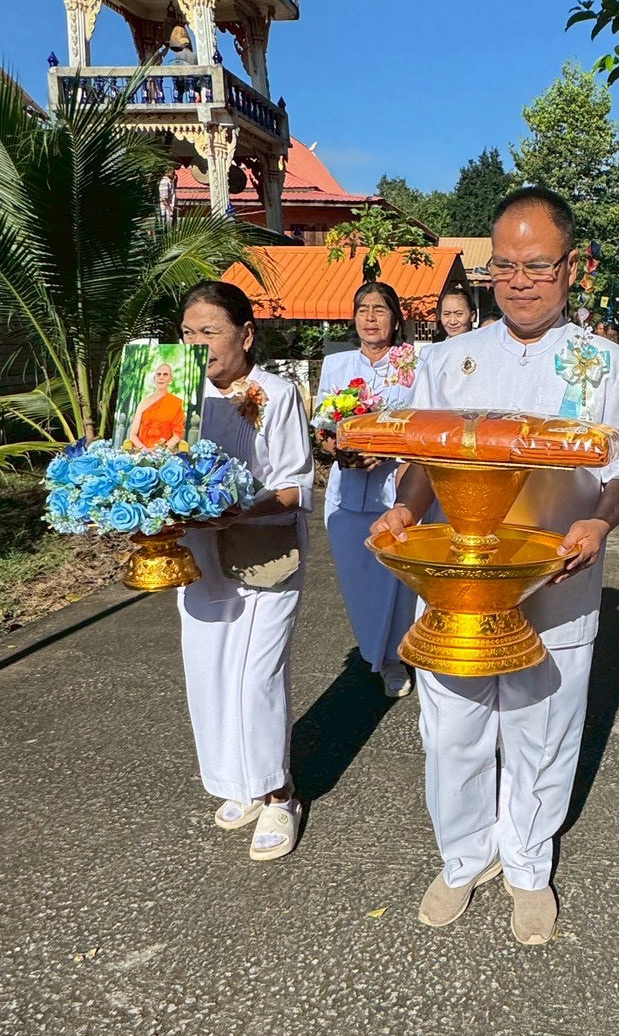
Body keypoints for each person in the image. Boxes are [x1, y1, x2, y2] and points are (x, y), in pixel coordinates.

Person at [370, 188, 619, 946]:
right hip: (459, 582)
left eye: (538, 264)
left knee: (544, 725)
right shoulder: (446, 360)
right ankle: (464, 855)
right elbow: (424, 462)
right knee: (453, 726)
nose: (520, 279)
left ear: (572, 266)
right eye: (505, 264)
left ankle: (529, 862)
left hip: (559, 580)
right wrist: (404, 506)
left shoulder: (609, 363)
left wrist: (600, 520)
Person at [177, 281, 313, 862]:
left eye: (210, 331)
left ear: (245, 335)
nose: (197, 344)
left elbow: (293, 486)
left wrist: (239, 509)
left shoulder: (275, 394)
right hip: (200, 552)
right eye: (187, 333)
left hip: (265, 550)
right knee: (210, 666)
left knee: (257, 675)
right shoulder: (176, 393)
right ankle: (239, 781)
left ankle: (279, 794)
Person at [317, 282, 418, 700]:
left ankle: (396, 656)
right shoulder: (337, 364)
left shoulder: (412, 362)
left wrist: (388, 448)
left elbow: (422, 422)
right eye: (363, 309)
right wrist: (339, 451)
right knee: (358, 581)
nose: (371, 318)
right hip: (346, 492)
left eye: (380, 310)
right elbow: (324, 426)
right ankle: (374, 653)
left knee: (397, 579)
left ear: (396, 318)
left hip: (396, 490)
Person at [129, 361, 185, 449]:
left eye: (165, 374)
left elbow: (177, 435)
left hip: (163, 452)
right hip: (142, 451)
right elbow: (132, 435)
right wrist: (145, 450)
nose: (161, 377)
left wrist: (160, 451)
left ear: (171, 379)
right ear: (155, 378)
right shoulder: (143, 404)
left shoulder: (175, 403)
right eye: (158, 374)